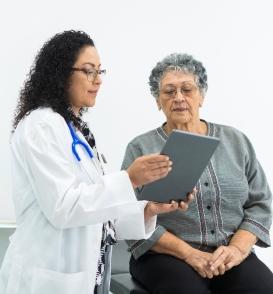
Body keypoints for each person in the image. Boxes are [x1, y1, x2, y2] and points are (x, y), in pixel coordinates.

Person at [0, 32, 195, 294]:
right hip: (48, 277)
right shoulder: (40, 126)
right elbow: (64, 208)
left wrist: (148, 210)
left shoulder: (77, 131)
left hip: (84, 276)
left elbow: (99, 215)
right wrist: (130, 179)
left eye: (100, 71)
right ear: (60, 73)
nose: (98, 80)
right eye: (89, 71)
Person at [122, 53, 273, 294]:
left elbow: (260, 203)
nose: (178, 97)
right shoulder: (140, 148)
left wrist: (236, 249)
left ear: (201, 96)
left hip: (228, 252)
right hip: (165, 256)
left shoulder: (236, 141)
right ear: (157, 101)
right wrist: (189, 253)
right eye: (169, 91)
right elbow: (127, 214)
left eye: (187, 89)